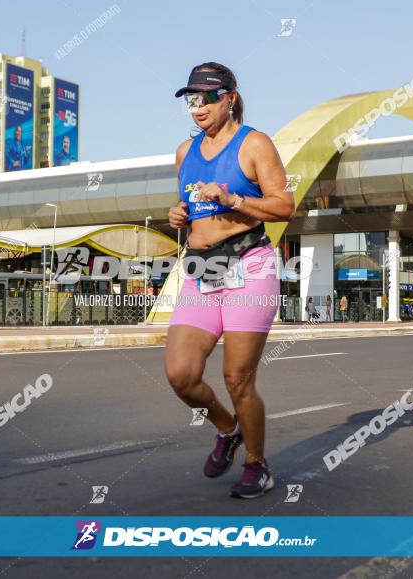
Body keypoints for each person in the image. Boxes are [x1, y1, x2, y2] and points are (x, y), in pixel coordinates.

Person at [165, 62, 295, 498]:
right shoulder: (185, 151)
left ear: (229, 98)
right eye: (190, 99)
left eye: (205, 97)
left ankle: (257, 465)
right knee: (181, 375)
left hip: (249, 267)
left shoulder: (253, 143)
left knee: (238, 378)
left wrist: (233, 198)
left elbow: (283, 206)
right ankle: (226, 428)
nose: (197, 107)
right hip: (201, 270)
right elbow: (188, 209)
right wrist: (178, 216)